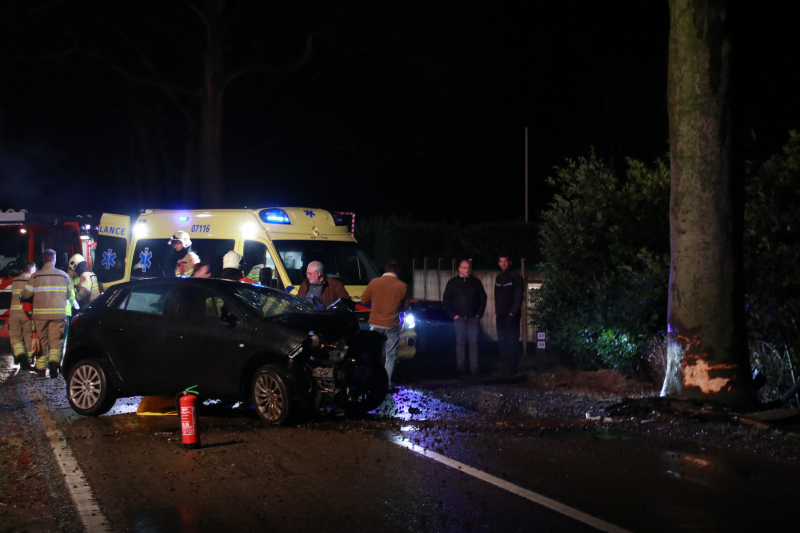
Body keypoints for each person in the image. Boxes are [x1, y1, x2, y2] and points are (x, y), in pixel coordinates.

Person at [20, 249, 71, 379]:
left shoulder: (35, 276)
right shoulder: (64, 276)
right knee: (56, 342)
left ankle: (41, 369)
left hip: (40, 316)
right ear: (54, 259)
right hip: (58, 315)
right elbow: (69, 295)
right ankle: (54, 367)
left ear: (43, 260)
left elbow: (26, 295)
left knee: (41, 341)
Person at [360, 261, 407, 389]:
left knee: (372, 355)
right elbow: (406, 306)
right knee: (390, 356)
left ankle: (370, 382)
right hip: (392, 325)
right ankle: (387, 384)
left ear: (385, 270)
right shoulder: (402, 286)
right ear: (397, 272)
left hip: (375, 324)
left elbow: (363, 299)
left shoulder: (374, 282)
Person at [443, 259, 487, 376]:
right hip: (459, 319)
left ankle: (474, 369)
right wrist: (454, 315)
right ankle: (460, 368)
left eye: (469, 268)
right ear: (459, 269)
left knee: (474, 343)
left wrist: (479, 314)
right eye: (465, 268)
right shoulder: (452, 283)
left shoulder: (476, 282)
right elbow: (446, 301)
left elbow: (483, 298)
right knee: (460, 343)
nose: (467, 270)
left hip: (473, 318)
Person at [495, 255, 525, 376]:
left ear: (510, 262)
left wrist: (513, 311)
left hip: (511, 316)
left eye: (505, 261)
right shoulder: (498, 277)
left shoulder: (516, 276)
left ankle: (512, 368)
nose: (503, 264)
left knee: (512, 342)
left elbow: (519, 295)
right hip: (500, 315)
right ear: (499, 263)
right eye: (501, 262)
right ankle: (504, 367)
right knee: (502, 342)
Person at [9, 261, 36, 371]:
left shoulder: (15, 280)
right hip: (27, 313)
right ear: (30, 270)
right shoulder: (32, 279)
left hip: (14, 313)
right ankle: (28, 362)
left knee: (15, 337)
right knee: (28, 337)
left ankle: (21, 356)